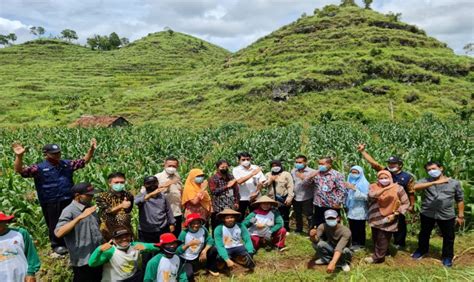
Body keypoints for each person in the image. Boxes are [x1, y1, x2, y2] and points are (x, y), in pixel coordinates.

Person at [12, 139, 97, 255]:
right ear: (46, 154)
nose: (57, 155)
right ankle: (57, 245)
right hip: (50, 199)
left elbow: (83, 161)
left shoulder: (66, 164)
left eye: (58, 153)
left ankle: (72, 241)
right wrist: (19, 156)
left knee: (72, 220)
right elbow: (20, 170)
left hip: (68, 197)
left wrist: (91, 150)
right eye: (54, 153)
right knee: (54, 223)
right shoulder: (39, 168)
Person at [357, 144, 415, 249]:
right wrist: (363, 151)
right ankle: (383, 243)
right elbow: (373, 163)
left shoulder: (407, 177)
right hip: (384, 202)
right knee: (384, 223)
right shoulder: (385, 172)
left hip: (397, 204)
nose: (391, 165)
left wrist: (411, 205)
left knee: (400, 222)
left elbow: (411, 192)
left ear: (400, 164)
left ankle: (399, 243)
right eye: (389, 163)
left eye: (394, 163)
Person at [411, 161, 465, 267]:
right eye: (429, 170)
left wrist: (461, 215)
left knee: (448, 236)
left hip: (446, 214)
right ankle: (422, 250)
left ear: (441, 168)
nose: (431, 171)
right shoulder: (425, 181)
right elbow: (414, 188)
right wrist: (434, 183)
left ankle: (447, 256)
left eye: (433, 169)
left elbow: (460, 199)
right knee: (424, 233)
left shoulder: (454, 183)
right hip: (427, 213)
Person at [55, 182, 103, 282]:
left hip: (97, 256)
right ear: (77, 196)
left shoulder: (90, 207)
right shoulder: (69, 211)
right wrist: (80, 217)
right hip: (83, 260)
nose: (92, 197)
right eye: (89, 195)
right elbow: (58, 232)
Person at [364, 171, 409, 264]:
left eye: (386, 178)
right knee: (376, 236)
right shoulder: (373, 186)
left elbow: (405, 202)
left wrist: (396, 213)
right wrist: (387, 188)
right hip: (375, 215)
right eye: (381, 178)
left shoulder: (398, 188)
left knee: (383, 237)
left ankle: (378, 258)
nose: (384, 180)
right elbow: (372, 195)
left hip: (390, 215)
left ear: (390, 178)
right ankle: (384, 252)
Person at [134, 176, 176, 267]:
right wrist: (150, 195)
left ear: (157, 184)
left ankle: (161, 270)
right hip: (146, 231)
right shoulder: (142, 195)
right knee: (146, 254)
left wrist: (172, 223)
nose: (152, 185)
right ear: (144, 185)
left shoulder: (162, 197)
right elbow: (136, 202)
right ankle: (146, 273)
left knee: (161, 252)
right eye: (149, 183)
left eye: (154, 183)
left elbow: (168, 210)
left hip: (162, 228)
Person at [89, 228, 158, 282]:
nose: (124, 239)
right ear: (113, 240)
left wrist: (146, 247)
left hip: (132, 278)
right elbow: (92, 263)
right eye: (119, 237)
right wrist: (99, 249)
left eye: (126, 236)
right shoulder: (110, 251)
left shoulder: (135, 246)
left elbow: (158, 246)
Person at [303, 157, 347, 227]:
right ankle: (321, 237)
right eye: (319, 164)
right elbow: (305, 184)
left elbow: (342, 190)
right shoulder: (316, 174)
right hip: (318, 204)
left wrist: (338, 202)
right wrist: (310, 176)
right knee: (319, 224)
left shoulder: (337, 174)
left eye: (322, 164)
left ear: (329, 164)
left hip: (331, 204)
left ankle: (333, 237)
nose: (320, 165)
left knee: (332, 224)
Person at [0, 211, 41, 282]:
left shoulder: (20, 233)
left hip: (23, 277)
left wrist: (31, 273)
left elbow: (31, 255)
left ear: (5, 221)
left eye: (1, 222)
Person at [177, 213, 219, 280]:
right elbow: (177, 250)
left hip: (198, 254)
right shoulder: (184, 233)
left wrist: (204, 251)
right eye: (193, 223)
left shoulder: (203, 229)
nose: (196, 225)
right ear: (189, 224)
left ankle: (211, 267)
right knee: (189, 275)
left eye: (198, 223)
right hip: (186, 258)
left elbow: (210, 240)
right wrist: (188, 244)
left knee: (213, 249)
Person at [96, 172, 134, 241]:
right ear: (110, 183)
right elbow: (106, 211)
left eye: (122, 182)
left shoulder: (129, 195)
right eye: (116, 182)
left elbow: (128, 211)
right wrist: (121, 206)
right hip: (109, 230)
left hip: (125, 228)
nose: (119, 184)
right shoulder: (102, 196)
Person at [154, 157, 183, 237]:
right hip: (163, 214)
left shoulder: (177, 177)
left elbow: (180, 191)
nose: (172, 168)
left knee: (176, 237)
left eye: (174, 166)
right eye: (169, 165)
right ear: (164, 165)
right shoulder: (157, 177)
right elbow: (149, 193)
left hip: (176, 212)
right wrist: (166, 185)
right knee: (164, 237)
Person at [232, 152, 266, 219]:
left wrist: (257, 192)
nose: (246, 161)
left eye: (248, 159)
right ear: (239, 161)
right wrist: (252, 174)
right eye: (243, 160)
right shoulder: (236, 169)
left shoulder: (256, 168)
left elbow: (262, 181)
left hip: (255, 197)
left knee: (255, 216)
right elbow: (239, 181)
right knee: (240, 216)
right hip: (242, 197)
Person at [208, 159, 240, 231]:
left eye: (226, 167)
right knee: (217, 226)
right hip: (218, 207)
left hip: (230, 206)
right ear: (217, 168)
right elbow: (214, 192)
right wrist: (226, 186)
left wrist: (236, 202)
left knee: (229, 225)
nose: (224, 169)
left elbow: (236, 191)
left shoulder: (231, 177)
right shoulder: (213, 179)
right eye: (222, 167)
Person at [264, 160, 294, 232]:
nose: (275, 167)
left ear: (280, 166)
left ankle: (286, 228)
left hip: (283, 198)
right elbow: (263, 185)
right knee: (273, 214)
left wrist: (290, 197)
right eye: (273, 166)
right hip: (271, 199)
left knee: (284, 213)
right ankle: (274, 228)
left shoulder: (286, 174)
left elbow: (290, 186)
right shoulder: (268, 174)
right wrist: (270, 180)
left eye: (277, 166)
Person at [345, 166, 369, 250]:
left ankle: (361, 244)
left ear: (360, 173)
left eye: (356, 172)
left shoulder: (364, 183)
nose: (353, 174)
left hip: (360, 209)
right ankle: (354, 242)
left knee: (360, 227)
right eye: (352, 172)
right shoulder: (350, 180)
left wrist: (355, 189)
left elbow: (366, 197)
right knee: (352, 226)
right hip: (351, 209)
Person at [291, 155, 315, 235]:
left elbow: (314, 184)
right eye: (297, 162)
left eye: (300, 162)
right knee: (298, 214)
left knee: (309, 215)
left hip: (307, 196)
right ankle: (299, 229)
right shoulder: (293, 171)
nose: (298, 164)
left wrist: (303, 178)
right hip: (296, 196)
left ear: (305, 162)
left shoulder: (311, 172)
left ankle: (310, 230)